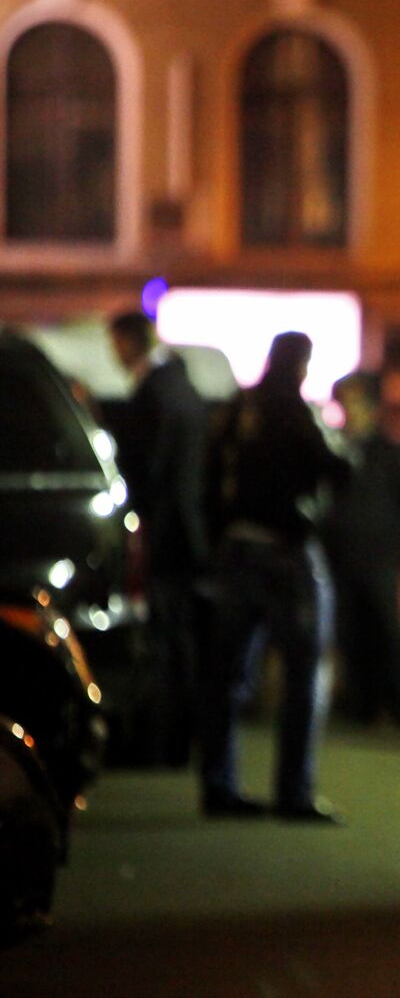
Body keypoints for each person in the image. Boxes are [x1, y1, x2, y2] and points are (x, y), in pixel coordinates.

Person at [200, 331, 350, 822]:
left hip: (238, 550)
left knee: (227, 675)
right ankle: (293, 792)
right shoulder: (297, 412)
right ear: (303, 363)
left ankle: (219, 786)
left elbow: (208, 477)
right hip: (287, 553)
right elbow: (335, 468)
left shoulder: (239, 409)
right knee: (304, 673)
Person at [106, 310, 209, 766]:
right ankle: (178, 738)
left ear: (130, 341)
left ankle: (162, 742)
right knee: (180, 640)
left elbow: (147, 468)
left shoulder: (154, 393)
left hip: (163, 532)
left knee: (164, 642)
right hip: (186, 531)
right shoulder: (182, 387)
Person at [322, 372, 400, 729]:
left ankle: (399, 702)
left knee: (385, 626)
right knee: (349, 629)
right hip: (340, 554)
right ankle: (359, 700)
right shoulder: (334, 450)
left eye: (355, 403)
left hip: (379, 554)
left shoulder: (392, 453)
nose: (349, 411)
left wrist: (395, 537)